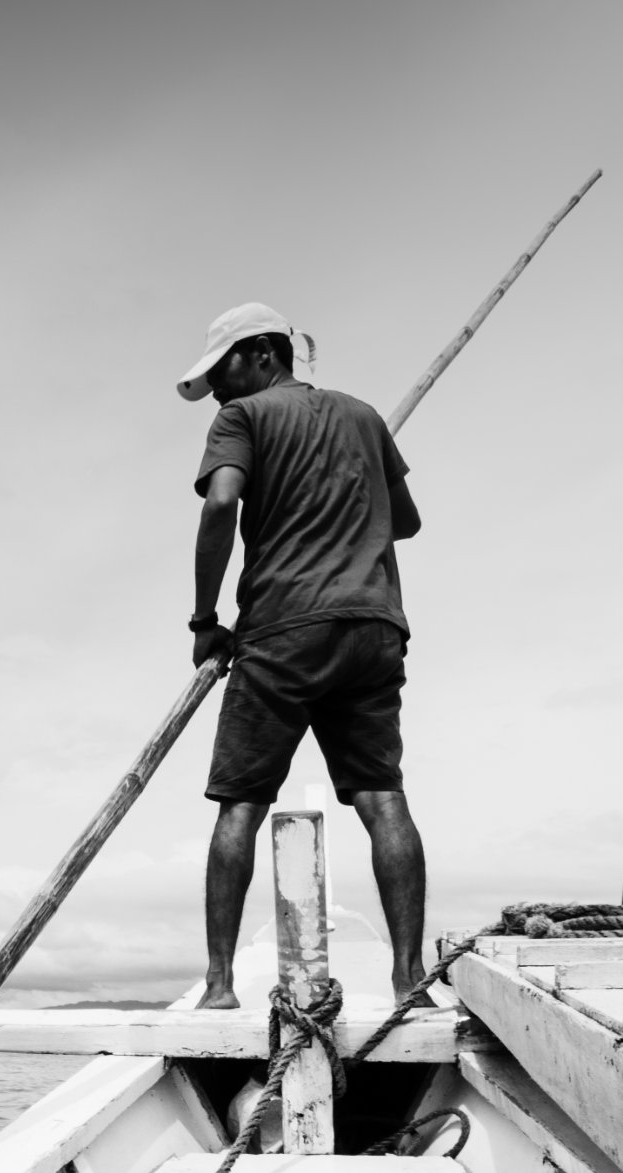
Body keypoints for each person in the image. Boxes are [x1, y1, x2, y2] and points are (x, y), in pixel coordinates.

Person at [177, 302, 425, 1009]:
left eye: (221, 370)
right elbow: (405, 521)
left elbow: (220, 506)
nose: (216, 389)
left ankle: (219, 986)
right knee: (383, 798)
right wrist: (349, 488)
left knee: (240, 806)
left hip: (282, 629)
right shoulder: (364, 417)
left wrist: (204, 621)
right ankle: (410, 981)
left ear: (261, 353)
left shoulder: (242, 417)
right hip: (372, 626)